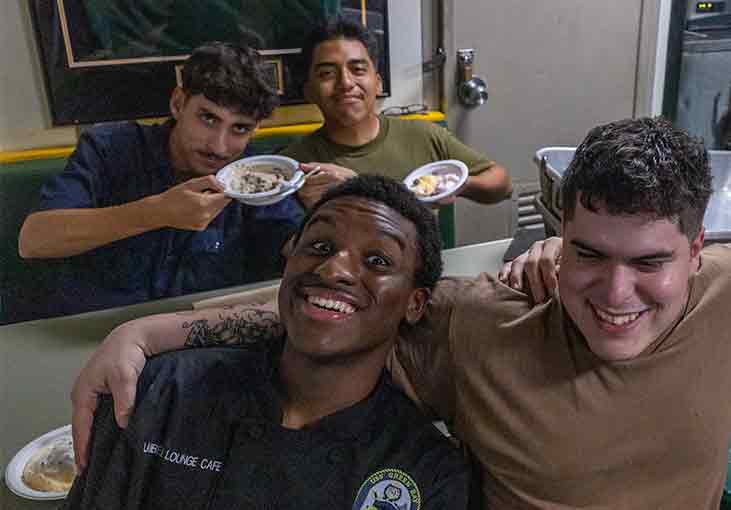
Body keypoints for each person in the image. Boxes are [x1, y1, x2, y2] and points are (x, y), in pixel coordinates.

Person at [73, 117, 731, 509]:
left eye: (648, 264)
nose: (615, 295)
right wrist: (144, 332)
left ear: (697, 248)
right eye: (588, 255)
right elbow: (344, 300)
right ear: (560, 231)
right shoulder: (481, 324)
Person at [63, 175, 475, 510]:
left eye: (378, 261)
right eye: (319, 246)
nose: (333, 270)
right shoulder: (156, 390)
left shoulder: (426, 472)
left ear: (415, 303)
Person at [16, 42, 304, 320]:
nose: (219, 146)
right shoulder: (111, 147)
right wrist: (156, 212)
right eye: (208, 118)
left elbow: (297, 247)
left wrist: (331, 205)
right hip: (93, 330)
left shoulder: (257, 175)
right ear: (178, 104)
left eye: (239, 128)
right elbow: (35, 240)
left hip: (189, 336)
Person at [281, 17, 513, 209]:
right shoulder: (294, 165)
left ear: (378, 83)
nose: (346, 82)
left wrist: (455, 184)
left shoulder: (423, 136)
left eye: (358, 69)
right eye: (327, 74)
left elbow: (502, 185)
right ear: (309, 91)